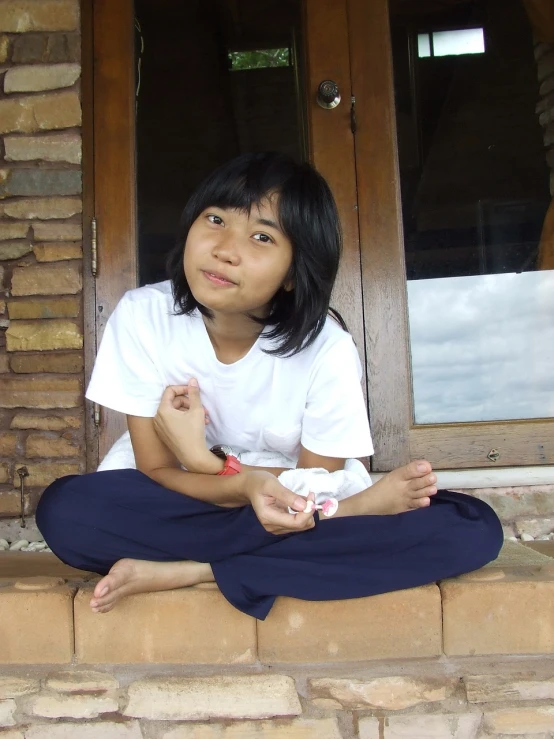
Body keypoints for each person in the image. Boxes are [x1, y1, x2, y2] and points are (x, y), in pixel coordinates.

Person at [36, 152, 503, 620]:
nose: (225, 249)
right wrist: (243, 485)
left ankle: (193, 570)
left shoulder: (327, 350)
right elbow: (158, 472)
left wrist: (206, 461)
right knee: (67, 511)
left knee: (473, 527)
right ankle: (347, 519)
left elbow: (315, 484)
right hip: (191, 502)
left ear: (293, 272)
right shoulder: (143, 316)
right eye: (215, 219)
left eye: (261, 236)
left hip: (299, 504)